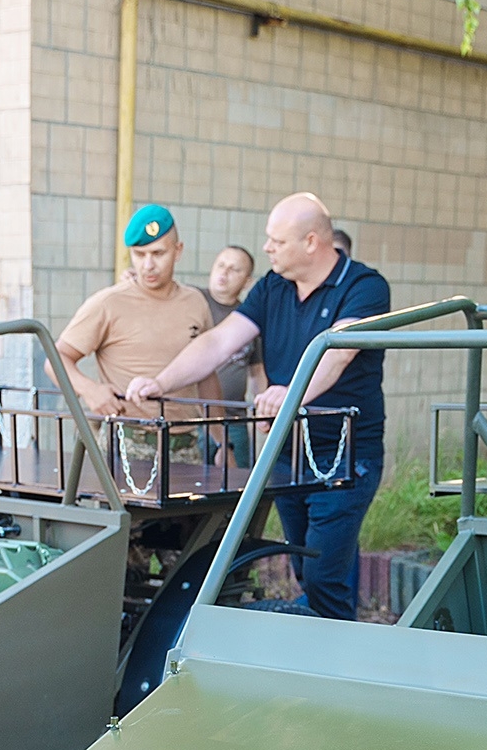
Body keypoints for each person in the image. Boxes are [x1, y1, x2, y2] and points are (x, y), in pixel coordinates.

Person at [129, 192, 391, 621]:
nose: (266, 248)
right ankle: (331, 638)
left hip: (344, 455)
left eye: (276, 240)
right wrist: (161, 382)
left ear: (311, 242)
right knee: (308, 563)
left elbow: (340, 350)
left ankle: (331, 654)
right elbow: (218, 341)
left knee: (324, 572)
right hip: (286, 451)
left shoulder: (364, 286)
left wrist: (290, 394)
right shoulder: (273, 286)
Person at [55, 203, 215, 418]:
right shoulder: (108, 303)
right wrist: (89, 389)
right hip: (126, 438)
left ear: (178, 251)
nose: (148, 265)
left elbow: (206, 371)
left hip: (186, 439)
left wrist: (222, 442)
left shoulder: (196, 301)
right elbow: (57, 357)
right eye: (140, 254)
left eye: (158, 253)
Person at [198, 244, 265, 467]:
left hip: (234, 420)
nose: (223, 273)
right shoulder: (192, 301)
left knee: (238, 487)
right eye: (220, 265)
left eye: (234, 269)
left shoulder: (251, 317)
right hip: (192, 419)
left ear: (247, 281)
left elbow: (257, 372)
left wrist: (264, 415)